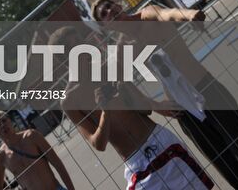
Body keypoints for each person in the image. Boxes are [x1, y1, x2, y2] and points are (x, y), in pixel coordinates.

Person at [92, 0, 238, 190]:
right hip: (184, 111)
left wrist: (189, 15)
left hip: (207, 91)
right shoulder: (122, 48)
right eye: (104, 14)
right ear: (105, 26)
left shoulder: (147, 14)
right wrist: (156, 105)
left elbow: (169, 14)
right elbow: (120, 83)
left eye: (110, 6)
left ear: (119, 5)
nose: (109, 11)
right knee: (228, 166)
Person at [56, 25, 213, 190]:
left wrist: (127, 91)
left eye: (81, 43)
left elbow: (145, 108)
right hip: (134, 161)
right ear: (64, 59)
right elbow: (98, 144)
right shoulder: (69, 100)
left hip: (159, 140)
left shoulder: (110, 67)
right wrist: (105, 112)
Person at [0, 111, 75, 190]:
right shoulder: (1, 156)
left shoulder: (31, 136)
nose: (3, 125)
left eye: (4, 120)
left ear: (10, 121)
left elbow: (57, 164)